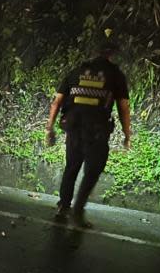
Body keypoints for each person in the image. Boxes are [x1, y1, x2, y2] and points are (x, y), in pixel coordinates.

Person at [46, 39, 131, 227]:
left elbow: (57, 102)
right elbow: (123, 107)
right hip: (97, 132)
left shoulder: (76, 71)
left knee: (71, 167)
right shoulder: (115, 75)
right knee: (92, 171)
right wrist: (127, 134)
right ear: (113, 54)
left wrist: (49, 127)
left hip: (73, 129)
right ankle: (77, 210)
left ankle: (63, 206)